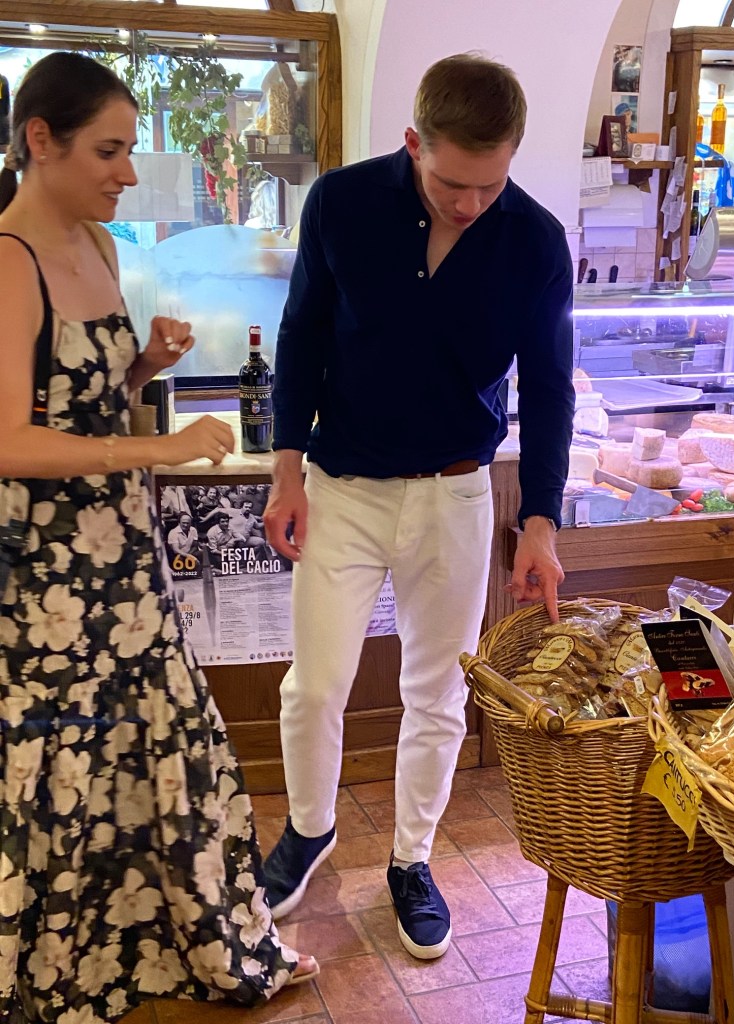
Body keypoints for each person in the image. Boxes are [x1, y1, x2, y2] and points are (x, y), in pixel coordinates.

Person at [0, 51, 315, 1022]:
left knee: (163, 736)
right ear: (40, 141)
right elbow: (8, 440)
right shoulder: (7, 260)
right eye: (109, 150)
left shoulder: (98, 245)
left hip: (123, 557)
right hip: (46, 574)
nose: (128, 172)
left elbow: (79, 400)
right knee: (64, 759)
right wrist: (157, 446)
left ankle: (179, 940)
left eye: (129, 149)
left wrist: (144, 367)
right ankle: (67, 966)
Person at [262, 52, 574, 960]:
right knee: (315, 685)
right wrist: (285, 468)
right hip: (342, 487)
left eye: (491, 184)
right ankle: (310, 830)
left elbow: (550, 386)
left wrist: (541, 522)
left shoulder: (535, 240)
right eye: (451, 183)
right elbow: (300, 335)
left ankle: (412, 859)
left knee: (436, 693)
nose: (470, 204)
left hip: (456, 492)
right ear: (413, 143)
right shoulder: (342, 203)